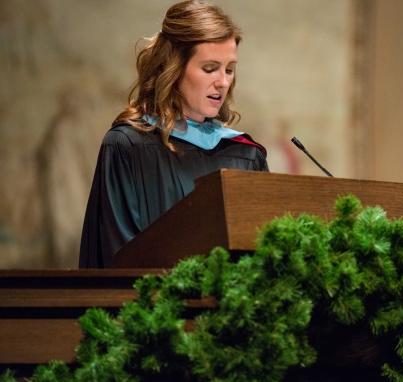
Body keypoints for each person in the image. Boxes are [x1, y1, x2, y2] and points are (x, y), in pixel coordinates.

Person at [79, 1, 268, 268]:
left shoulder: (245, 155)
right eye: (210, 68)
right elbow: (115, 256)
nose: (223, 82)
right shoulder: (128, 147)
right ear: (174, 68)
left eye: (229, 69)